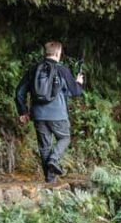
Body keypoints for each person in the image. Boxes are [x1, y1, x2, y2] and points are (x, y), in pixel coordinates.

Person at [15, 41, 84, 183]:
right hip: (58, 115)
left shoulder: (33, 69)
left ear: (45, 53)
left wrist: (23, 111)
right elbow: (75, 92)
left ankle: (49, 179)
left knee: (44, 147)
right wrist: (78, 82)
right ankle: (54, 159)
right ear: (58, 53)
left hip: (38, 115)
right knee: (64, 138)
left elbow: (19, 92)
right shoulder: (62, 70)